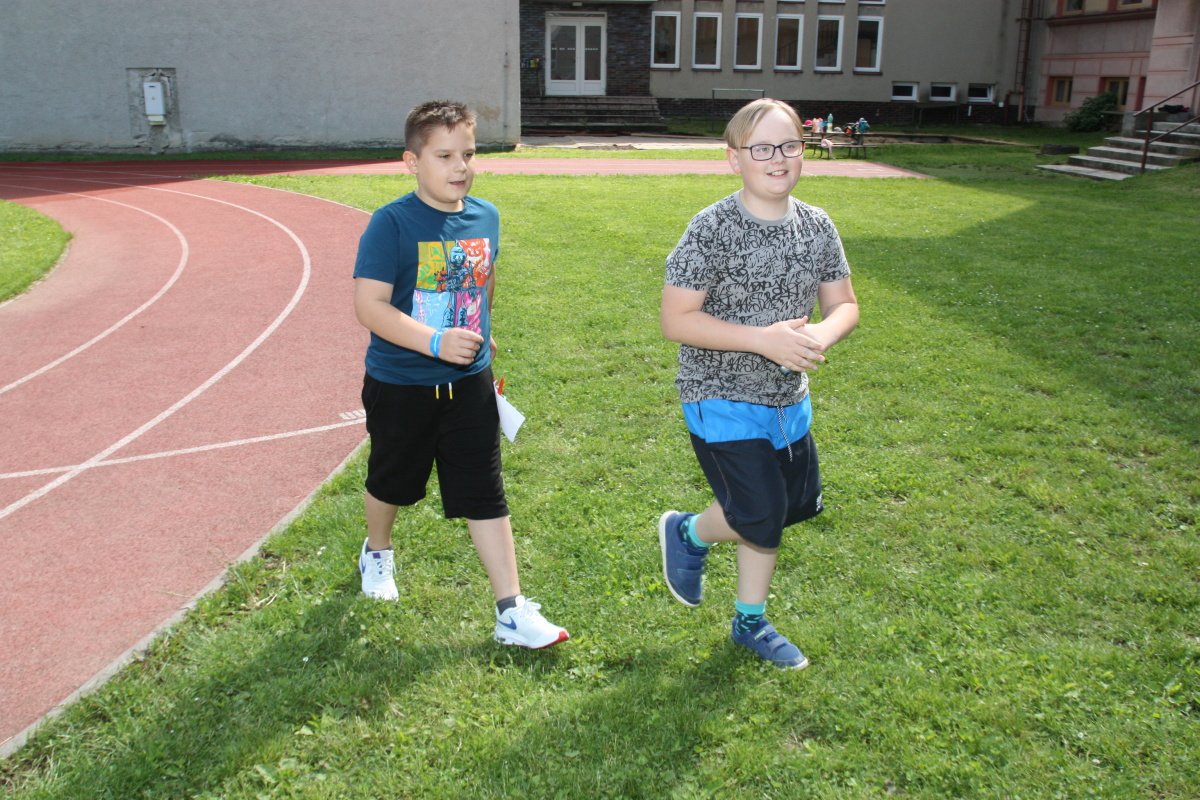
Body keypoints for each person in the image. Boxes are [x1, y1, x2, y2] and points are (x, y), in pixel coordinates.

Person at [352, 100, 568, 649]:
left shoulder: (486, 216)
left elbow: (483, 278)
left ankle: (510, 610)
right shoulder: (390, 224)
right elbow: (369, 306)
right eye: (444, 155)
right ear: (412, 161)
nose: (460, 167)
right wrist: (434, 341)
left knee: (484, 490)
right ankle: (377, 551)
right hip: (401, 383)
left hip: (470, 382)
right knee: (392, 480)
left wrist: (479, 328)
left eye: (468, 154)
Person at [658, 98, 859, 669]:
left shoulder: (817, 225)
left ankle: (691, 535)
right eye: (762, 148)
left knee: (788, 507)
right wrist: (761, 339)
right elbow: (676, 320)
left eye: (789, 144)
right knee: (761, 511)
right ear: (734, 159)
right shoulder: (711, 229)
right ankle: (750, 617)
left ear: (804, 150)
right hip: (719, 395)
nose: (778, 158)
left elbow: (844, 304)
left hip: (787, 401)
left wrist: (820, 334)